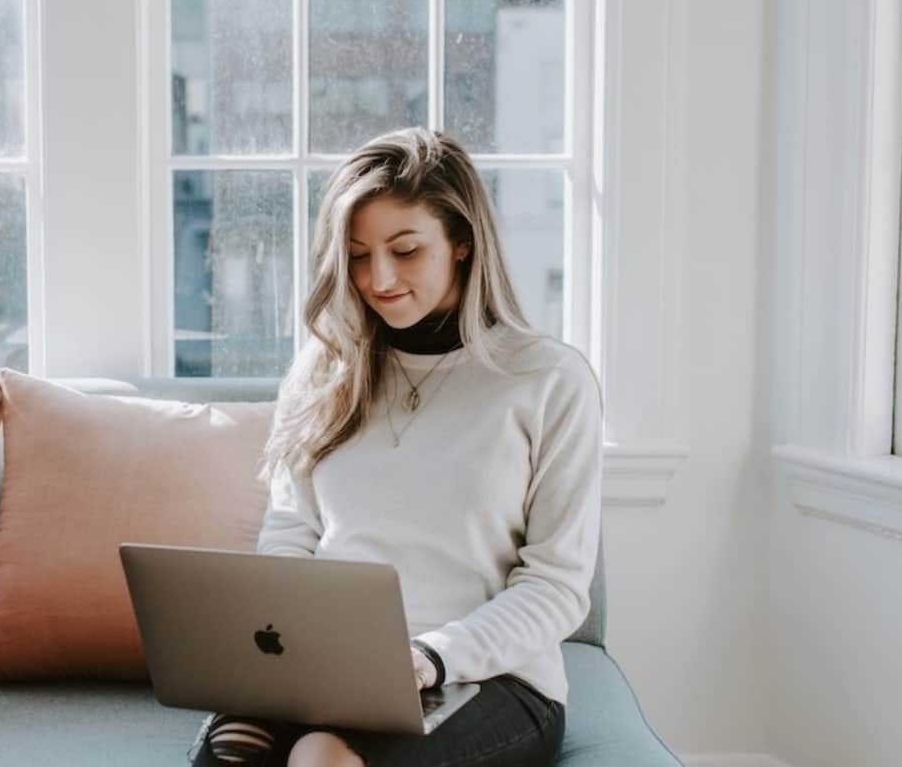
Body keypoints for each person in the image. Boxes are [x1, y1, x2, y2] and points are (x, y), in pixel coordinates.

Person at [188, 128, 603, 767]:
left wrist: (430, 656)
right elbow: (291, 532)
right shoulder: (324, 369)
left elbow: (557, 588)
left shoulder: (547, 379)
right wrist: (286, 649)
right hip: (327, 667)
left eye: (405, 250)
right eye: (357, 255)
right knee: (228, 756)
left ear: (463, 243)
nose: (378, 278)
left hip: (491, 675)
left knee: (324, 758)